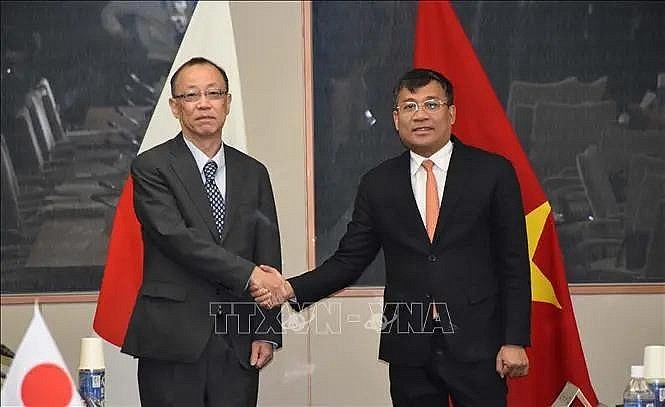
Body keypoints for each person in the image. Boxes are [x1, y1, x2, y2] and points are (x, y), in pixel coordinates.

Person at [253, 68, 531, 406]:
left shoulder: (493, 172)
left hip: (479, 345)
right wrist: (288, 289)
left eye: (431, 104)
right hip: (409, 348)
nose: (421, 115)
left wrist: (514, 339)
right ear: (396, 118)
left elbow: (514, 262)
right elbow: (350, 259)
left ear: (451, 112)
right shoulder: (378, 183)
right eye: (410, 107)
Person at [122, 57, 284, 407]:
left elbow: (267, 253)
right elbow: (177, 239)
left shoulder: (254, 172)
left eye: (214, 93)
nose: (204, 103)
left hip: (238, 341)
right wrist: (249, 274)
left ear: (227, 103)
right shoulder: (152, 167)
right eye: (191, 95)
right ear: (175, 107)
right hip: (172, 338)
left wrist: (268, 329)